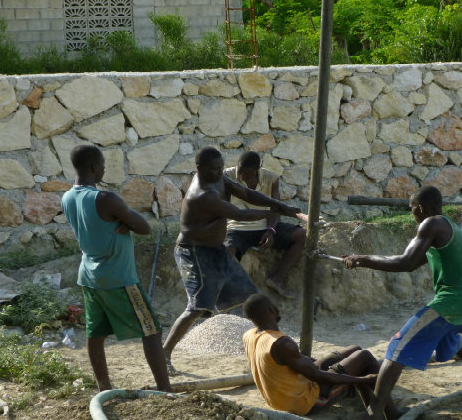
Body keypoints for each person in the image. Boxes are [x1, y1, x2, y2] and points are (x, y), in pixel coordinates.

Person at [343, 185, 462, 420]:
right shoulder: (449, 227)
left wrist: (363, 259)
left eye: (412, 210)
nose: (412, 215)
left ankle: (374, 414)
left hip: (452, 302)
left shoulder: (430, 224)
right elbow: (413, 264)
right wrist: (363, 260)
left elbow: (404, 262)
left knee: (397, 347)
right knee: (451, 339)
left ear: (421, 208)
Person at [163, 146, 302, 375]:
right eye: (214, 170)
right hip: (195, 253)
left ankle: (276, 348)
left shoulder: (220, 179)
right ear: (199, 169)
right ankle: (165, 352)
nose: (219, 173)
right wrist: (277, 211)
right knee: (197, 306)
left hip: (216, 250)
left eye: (221, 168)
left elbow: (247, 194)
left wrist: (280, 206)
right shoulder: (202, 194)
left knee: (253, 298)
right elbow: (240, 214)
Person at [61, 144, 171, 392]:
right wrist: (125, 220)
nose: (103, 169)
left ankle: (104, 387)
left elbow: (97, 225)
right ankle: (165, 390)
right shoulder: (105, 198)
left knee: (95, 333)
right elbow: (144, 227)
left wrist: (121, 220)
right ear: (93, 167)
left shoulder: (67, 197)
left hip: (89, 275)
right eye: (102, 164)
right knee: (151, 330)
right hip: (118, 276)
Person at [242, 293, 399, 418]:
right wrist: (362, 379)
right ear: (271, 311)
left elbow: (288, 364)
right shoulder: (282, 343)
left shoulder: (249, 335)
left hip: (281, 397)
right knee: (364, 356)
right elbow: (318, 376)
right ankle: (384, 414)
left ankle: (375, 407)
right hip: (302, 402)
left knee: (354, 349)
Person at [224, 151, 306, 299]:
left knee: (301, 235)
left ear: (258, 169)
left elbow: (275, 209)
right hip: (237, 227)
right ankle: (233, 293)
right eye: (240, 172)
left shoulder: (271, 178)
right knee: (228, 250)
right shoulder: (227, 176)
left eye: (247, 174)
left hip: (264, 225)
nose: (242, 177)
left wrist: (271, 230)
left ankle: (277, 279)